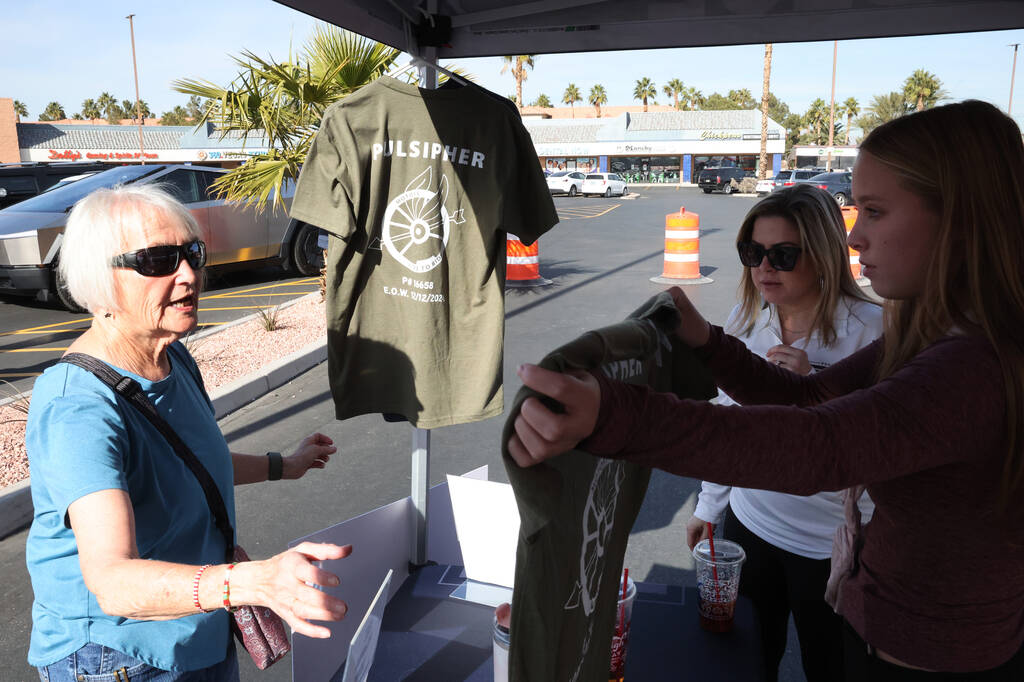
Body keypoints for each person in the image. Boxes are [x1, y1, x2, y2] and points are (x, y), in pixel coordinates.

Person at [507, 100, 1024, 679]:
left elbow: (820, 446)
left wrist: (616, 418)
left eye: (874, 211)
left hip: (929, 659)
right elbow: (809, 399)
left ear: (960, 218)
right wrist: (708, 341)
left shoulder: (975, 365)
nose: (855, 239)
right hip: (872, 612)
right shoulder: (934, 332)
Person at [26, 184, 352, 681]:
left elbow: (190, 463)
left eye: (191, 253)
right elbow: (112, 581)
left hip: (197, 625)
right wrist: (257, 582)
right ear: (100, 280)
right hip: (121, 656)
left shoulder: (172, 355)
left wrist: (284, 465)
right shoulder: (78, 407)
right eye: (158, 260)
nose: (188, 274)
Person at [684, 184, 881, 682]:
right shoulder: (746, 318)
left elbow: (888, 446)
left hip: (832, 545)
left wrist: (813, 389)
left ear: (823, 257)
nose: (763, 267)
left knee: (831, 666)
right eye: (752, 252)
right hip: (752, 527)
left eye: (783, 255)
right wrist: (710, 507)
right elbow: (729, 428)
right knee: (747, 662)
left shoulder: (874, 329)